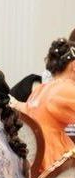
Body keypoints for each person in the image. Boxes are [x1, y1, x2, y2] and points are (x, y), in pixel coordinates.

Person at [23, 37, 75, 169]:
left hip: (36, 163)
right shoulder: (66, 88)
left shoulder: (40, 89)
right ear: (74, 66)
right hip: (56, 166)